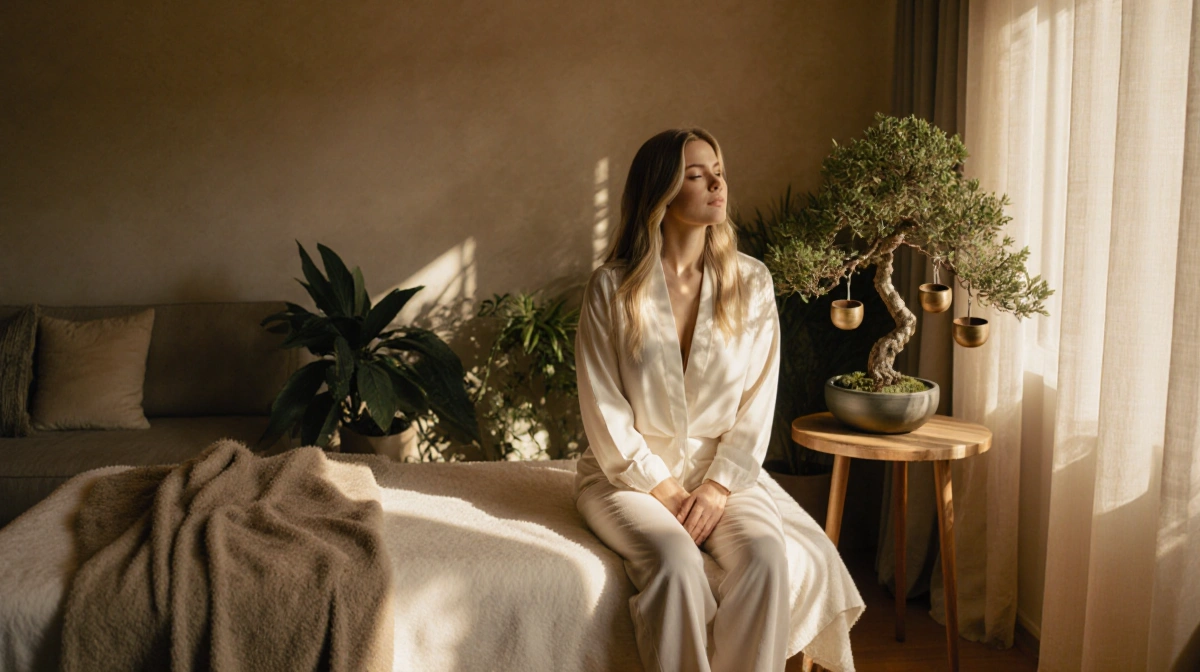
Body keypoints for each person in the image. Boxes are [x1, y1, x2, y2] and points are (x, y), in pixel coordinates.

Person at [574, 128, 788, 672]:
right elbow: (604, 408)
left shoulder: (753, 283)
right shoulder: (611, 288)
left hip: (725, 475)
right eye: (696, 174)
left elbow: (758, 402)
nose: (717, 181)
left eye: (717, 168)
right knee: (675, 561)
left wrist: (716, 487)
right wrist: (666, 491)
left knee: (764, 558)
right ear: (661, 193)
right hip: (625, 478)